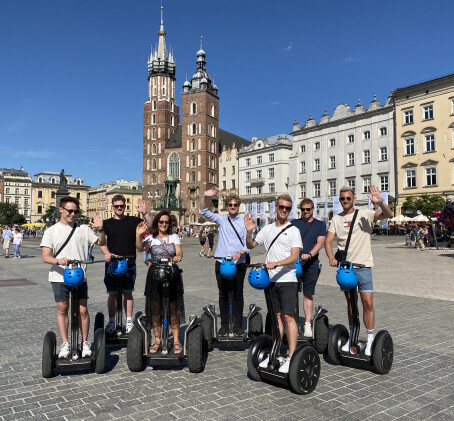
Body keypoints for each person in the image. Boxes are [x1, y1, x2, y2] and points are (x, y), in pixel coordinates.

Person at [325, 185, 392, 356]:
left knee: (367, 303)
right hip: (346, 268)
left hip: (363, 266)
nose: (345, 201)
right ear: (340, 200)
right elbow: (328, 241)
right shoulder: (336, 219)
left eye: (348, 198)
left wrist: (380, 202)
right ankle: (352, 336)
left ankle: (370, 339)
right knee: (350, 303)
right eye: (342, 198)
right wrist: (332, 258)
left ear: (354, 199)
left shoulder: (365, 214)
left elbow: (388, 215)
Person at [41, 196, 105, 358]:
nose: (72, 214)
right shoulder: (51, 231)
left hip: (79, 276)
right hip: (59, 276)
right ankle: (65, 343)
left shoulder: (83, 229)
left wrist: (100, 229)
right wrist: (58, 260)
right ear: (61, 210)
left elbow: (102, 242)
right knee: (63, 309)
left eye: (75, 211)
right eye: (69, 211)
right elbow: (45, 256)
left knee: (82, 309)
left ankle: (84, 343)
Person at [245, 194, 302, 374]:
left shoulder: (293, 230)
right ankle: (276, 353)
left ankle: (292, 356)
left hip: (287, 280)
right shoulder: (268, 229)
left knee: (288, 318)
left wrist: (276, 263)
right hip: (271, 280)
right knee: (276, 317)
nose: (284, 210)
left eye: (287, 208)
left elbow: (295, 256)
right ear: (276, 207)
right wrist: (248, 231)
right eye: (281, 207)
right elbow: (251, 245)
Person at [99, 195, 152, 334]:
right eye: (116, 206)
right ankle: (111, 322)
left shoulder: (133, 221)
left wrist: (145, 213)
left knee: (128, 292)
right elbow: (102, 242)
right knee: (113, 294)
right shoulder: (107, 223)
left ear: (125, 206)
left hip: (129, 261)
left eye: (121, 205)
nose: (119, 208)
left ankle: (128, 321)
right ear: (112, 207)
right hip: (112, 262)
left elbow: (151, 226)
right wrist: (106, 253)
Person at [200, 188, 249, 336]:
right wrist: (204, 195)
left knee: (238, 294)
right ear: (227, 206)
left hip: (238, 262)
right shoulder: (222, 219)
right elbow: (203, 211)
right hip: (221, 261)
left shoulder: (244, 221)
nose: (232, 207)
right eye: (230, 205)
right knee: (223, 294)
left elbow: (249, 243)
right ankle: (225, 325)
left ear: (238, 206)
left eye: (235, 205)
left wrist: (240, 252)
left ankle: (238, 325)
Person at [136, 211, 184, 353]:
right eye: (161, 222)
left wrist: (178, 257)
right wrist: (138, 235)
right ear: (157, 223)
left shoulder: (174, 236)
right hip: (155, 275)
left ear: (170, 224)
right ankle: (157, 340)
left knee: (173, 309)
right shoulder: (151, 238)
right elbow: (140, 248)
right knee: (155, 310)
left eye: (166, 222)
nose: (163, 224)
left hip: (171, 273)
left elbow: (179, 251)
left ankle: (176, 341)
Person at [291, 198, 326, 337]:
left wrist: (310, 254)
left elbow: (320, 243)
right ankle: (292, 322)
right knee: (292, 294)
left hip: (311, 264)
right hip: (294, 263)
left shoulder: (320, 225)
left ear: (313, 209)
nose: (305, 212)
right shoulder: (294, 223)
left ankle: (307, 324)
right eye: (303, 209)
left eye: (308, 209)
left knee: (308, 293)